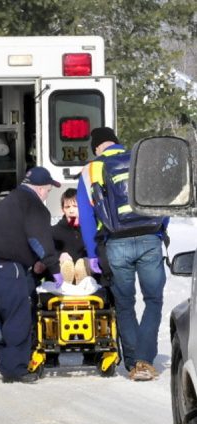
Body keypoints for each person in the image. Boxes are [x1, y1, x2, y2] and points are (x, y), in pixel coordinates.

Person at [77, 126, 170, 381]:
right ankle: (145, 360)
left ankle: (133, 363)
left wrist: (93, 253)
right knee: (153, 300)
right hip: (150, 239)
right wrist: (161, 230)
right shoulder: (143, 161)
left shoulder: (90, 171)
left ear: (96, 147)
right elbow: (164, 200)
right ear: (117, 143)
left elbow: (86, 218)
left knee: (125, 304)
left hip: (116, 244)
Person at [0, 166, 63, 384]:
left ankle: (9, 363)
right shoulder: (34, 206)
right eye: (49, 191)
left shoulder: (10, 200)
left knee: (7, 315)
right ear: (41, 189)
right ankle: (15, 369)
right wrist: (55, 270)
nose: (48, 195)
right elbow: (38, 239)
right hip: (5, 265)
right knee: (19, 316)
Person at [52, 188, 90, 285]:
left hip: (88, 283)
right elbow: (47, 253)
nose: (71, 211)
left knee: (82, 265)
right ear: (63, 209)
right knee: (66, 265)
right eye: (67, 207)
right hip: (63, 283)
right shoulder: (54, 231)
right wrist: (59, 255)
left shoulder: (90, 229)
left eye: (75, 206)